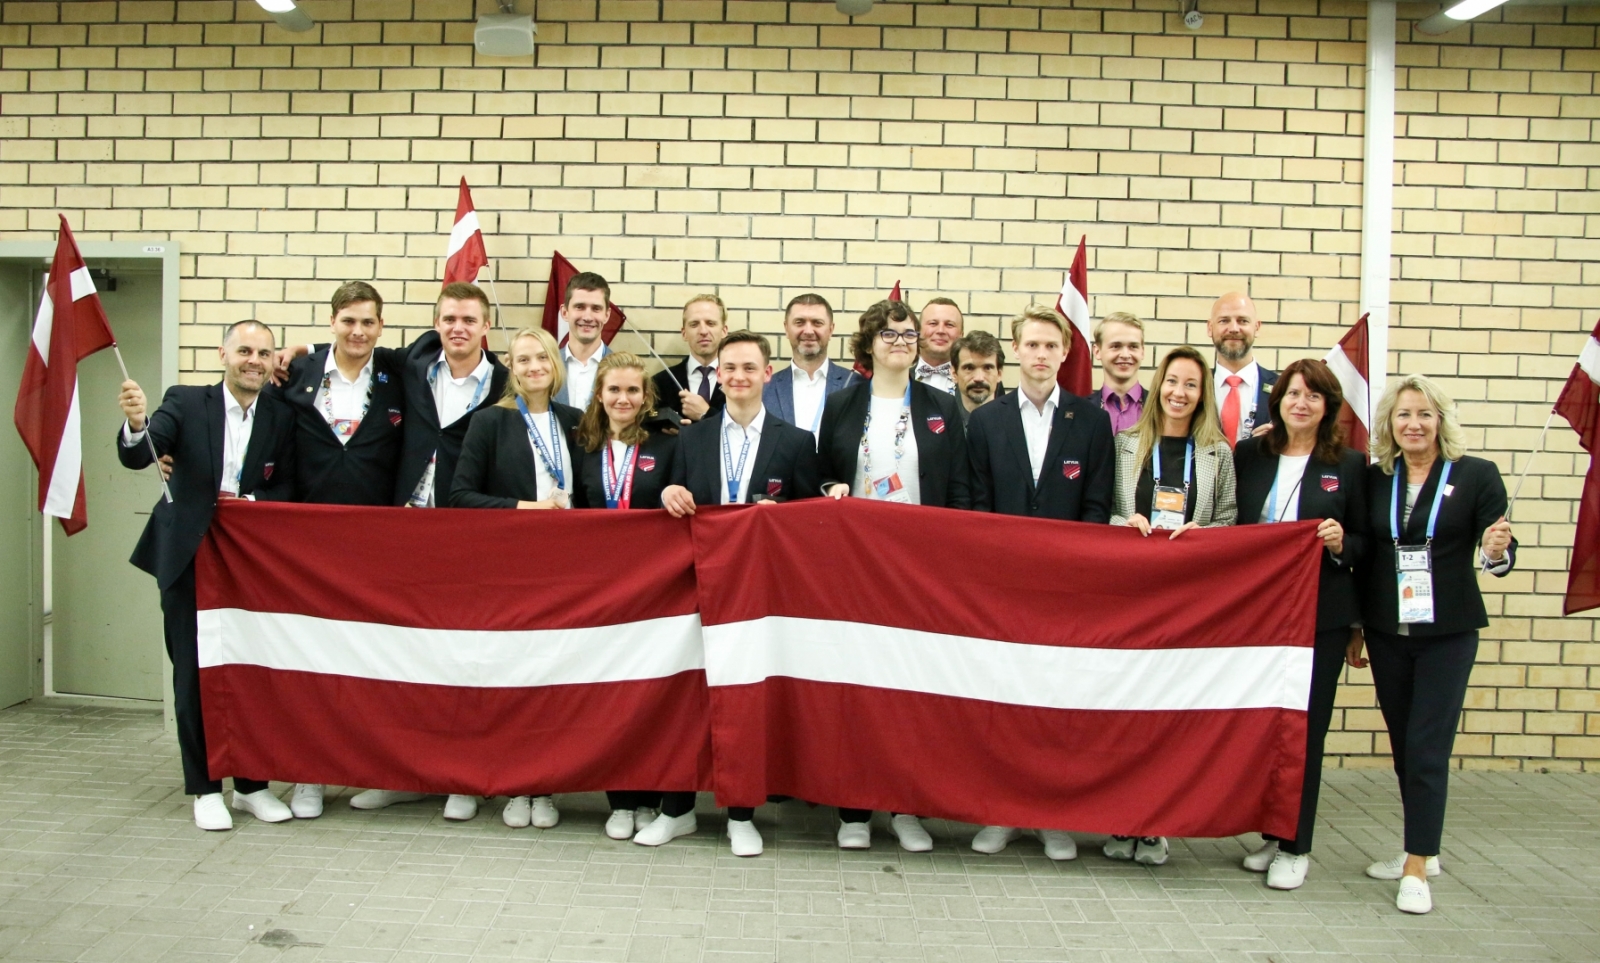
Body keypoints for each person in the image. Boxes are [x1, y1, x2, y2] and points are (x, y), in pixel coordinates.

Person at [116, 320, 299, 832]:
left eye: (263, 353)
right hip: (189, 556)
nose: (254, 361)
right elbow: (140, 453)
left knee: (249, 673)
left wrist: (252, 503)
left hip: (249, 563)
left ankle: (251, 786)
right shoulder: (185, 400)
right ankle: (204, 788)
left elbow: (291, 484)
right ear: (223, 353)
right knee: (194, 674)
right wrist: (136, 425)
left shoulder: (282, 415)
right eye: (244, 350)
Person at [1350, 373, 1515, 915]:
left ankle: (1418, 866)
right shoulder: (1376, 479)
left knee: (1426, 748)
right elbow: (1368, 554)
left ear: (1440, 420)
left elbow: (1502, 560)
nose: (1413, 424)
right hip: (1388, 631)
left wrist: (1493, 550)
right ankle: (1420, 845)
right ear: (1389, 425)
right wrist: (1355, 626)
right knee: (1404, 747)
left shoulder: (1475, 476)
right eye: (1403, 415)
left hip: (1447, 633)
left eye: (1423, 414)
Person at [652, 331, 821, 856]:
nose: (739, 377)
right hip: (697, 587)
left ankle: (742, 814)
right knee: (685, 699)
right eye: (730, 368)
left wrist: (785, 521)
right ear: (718, 374)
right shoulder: (692, 438)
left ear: (768, 374)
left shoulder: (795, 443)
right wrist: (667, 491)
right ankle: (675, 810)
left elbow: (807, 524)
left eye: (750, 367)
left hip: (758, 596)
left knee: (746, 700)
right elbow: (672, 496)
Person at [343, 282, 507, 822]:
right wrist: (298, 354)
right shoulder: (410, 368)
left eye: (468, 318)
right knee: (405, 654)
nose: (457, 327)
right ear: (436, 324)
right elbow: (353, 348)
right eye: (447, 318)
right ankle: (403, 774)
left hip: (469, 538)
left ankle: (460, 776)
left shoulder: (505, 384)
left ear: (487, 327)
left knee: (462, 657)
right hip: (407, 531)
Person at [815, 299, 969, 852]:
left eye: (908, 334)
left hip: (919, 569)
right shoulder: (841, 403)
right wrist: (830, 488)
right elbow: (824, 474)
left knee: (911, 688)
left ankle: (907, 808)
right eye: (889, 333)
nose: (900, 341)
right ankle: (853, 811)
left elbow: (955, 488)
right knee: (856, 687)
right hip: (855, 570)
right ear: (868, 343)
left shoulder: (941, 405)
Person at [966, 305, 1115, 861]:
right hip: (1002, 588)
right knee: (1004, 701)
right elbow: (975, 506)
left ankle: (1052, 817)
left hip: (1064, 590)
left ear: (1065, 353)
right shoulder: (985, 421)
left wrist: (1077, 571)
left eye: (1051, 346)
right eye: (1031, 344)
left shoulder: (1091, 420)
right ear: (1015, 351)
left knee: (1056, 701)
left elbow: (1096, 505)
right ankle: (1002, 812)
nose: (1041, 354)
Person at [1232, 359, 1368, 891]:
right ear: (1278, 402)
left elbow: (1366, 545)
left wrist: (1341, 544)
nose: (1302, 403)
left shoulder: (1351, 466)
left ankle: (1297, 845)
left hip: (1320, 618)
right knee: (1265, 726)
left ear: (1328, 406)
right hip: (1257, 619)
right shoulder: (1250, 455)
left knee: (1304, 729)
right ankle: (1272, 830)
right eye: (1293, 394)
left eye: (1314, 395)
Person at [274, 284, 408, 819]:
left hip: (377, 543)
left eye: (369, 323)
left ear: (380, 327)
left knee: (373, 661)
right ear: (331, 322)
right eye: (348, 321)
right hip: (310, 544)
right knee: (312, 661)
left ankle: (378, 772)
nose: (358, 331)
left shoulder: (398, 374)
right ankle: (309, 775)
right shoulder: (297, 376)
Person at [1105, 345, 1236, 866]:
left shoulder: (1217, 452)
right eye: (1173, 382)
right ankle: (1119, 818)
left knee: (1167, 712)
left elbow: (1228, 519)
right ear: (1157, 386)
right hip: (1130, 595)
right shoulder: (1125, 443)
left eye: (1191, 384)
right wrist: (1127, 525)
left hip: (1185, 599)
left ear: (1202, 394)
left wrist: (1201, 534)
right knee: (1125, 708)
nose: (1180, 393)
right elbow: (1107, 513)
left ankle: (1155, 824)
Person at [448, 326, 581, 832]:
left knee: (550, 679)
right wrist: (531, 510)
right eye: (522, 360)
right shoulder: (489, 422)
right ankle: (506, 782)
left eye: (541, 358)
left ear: (554, 364)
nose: (532, 368)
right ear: (510, 367)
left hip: (563, 570)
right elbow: (460, 496)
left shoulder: (574, 421)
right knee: (508, 676)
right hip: (508, 568)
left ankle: (542, 787)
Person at [573, 352, 679, 840]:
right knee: (611, 694)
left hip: (657, 591)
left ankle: (651, 797)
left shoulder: (668, 444)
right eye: (614, 389)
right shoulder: (581, 446)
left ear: (646, 397)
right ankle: (619, 798)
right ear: (599, 394)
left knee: (653, 696)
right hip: (602, 592)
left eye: (633, 391)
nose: (623, 398)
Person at [763, 293, 857, 439]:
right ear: (786, 328)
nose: (808, 331)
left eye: (817, 323)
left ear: (831, 330)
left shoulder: (854, 385)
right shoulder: (765, 388)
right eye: (799, 322)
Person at [1208, 292, 1277, 448]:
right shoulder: (1194, 386)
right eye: (1224, 320)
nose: (1233, 328)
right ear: (1210, 328)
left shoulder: (1282, 388)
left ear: (1257, 327)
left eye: (1243, 321)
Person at [652, 294, 728, 424]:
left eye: (710, 323)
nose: (703, 331)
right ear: (684, 333)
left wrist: (706, 413)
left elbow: (745, 428)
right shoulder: (660, 383)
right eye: (694, 324)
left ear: (724, 331)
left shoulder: (738, 381)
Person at [553, 271, 614, 411]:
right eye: (579, 307)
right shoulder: (547, 366)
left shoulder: (622, 369)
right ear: (565, 312)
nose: (587, 317)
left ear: (607, 315)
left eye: (596, 308)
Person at [1089, 311, 1146, 434]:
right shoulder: (1081, 410)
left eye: (1133, 346)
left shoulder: (1160, 407)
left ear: (1142, 351)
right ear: (1097, 351)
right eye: (1116, 346)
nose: (1125, 355)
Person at [950, 330, 1004, 426]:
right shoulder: (944, 423)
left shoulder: (1016, 422)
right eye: (969, 368)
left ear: (999, 374)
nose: (979, 378)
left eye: (987, 368)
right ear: (954, 374)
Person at [913, 297, 964, 395]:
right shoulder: (898, 378)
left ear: (961, 335)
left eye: (949, 325)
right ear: (918, 331)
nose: (940, 330)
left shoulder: (980, 382)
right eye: (933, 323)